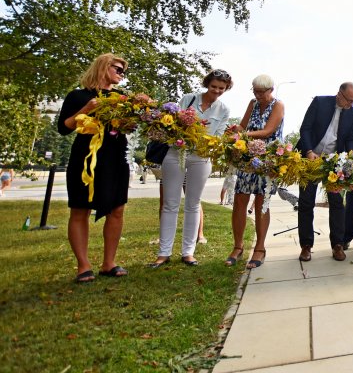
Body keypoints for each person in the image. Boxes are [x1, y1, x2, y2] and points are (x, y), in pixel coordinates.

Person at [57, 53, 131, 282]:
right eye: (118, 69)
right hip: (86, 157)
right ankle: (83, 266)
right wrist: (87, 108)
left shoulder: (122, 98)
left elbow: (127, 128)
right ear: (103, 67)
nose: (121, 74)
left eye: (123, 71)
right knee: (80, 209)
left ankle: (109, 263)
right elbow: (65, 127)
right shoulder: (77, 96)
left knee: (117, 209)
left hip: (116, 156)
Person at [149, 70, 232, 268]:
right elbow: (175, 124)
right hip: (176, 152)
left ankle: (188, 252)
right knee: (170, 203)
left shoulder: (223, 110)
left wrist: (210, 143)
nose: (217, 91)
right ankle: (164, 252)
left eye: (222, 88)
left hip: (201, 157)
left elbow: (219, 135)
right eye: (214, 86)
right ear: (207, 84)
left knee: (193, 204)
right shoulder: (189, 98)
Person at [225, 74, 285, 269]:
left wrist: (242, 134)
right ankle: (238, 246)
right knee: (240, 200)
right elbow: (243, 124)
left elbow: (268, 131)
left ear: (270, 90)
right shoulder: (252, 103)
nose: (257, 95)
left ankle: (260, 248)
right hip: (247, 157)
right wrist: (236, 129)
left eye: (261, 92)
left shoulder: (278, 105)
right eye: (255, 91)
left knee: (261, 203)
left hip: (267, 160)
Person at [298, 82, 353, 262]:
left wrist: (351, 152)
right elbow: (306, 128)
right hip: (311, 157)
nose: (350, 105)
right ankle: (306, 246)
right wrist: (309, 151)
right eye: (348, 100)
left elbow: (350, 138)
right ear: (339, 94)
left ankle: (338, 245)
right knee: (306, 202)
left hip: (334, 162)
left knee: (337, 203)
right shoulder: (320, 102)